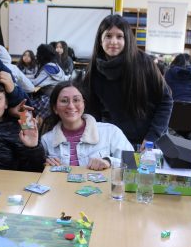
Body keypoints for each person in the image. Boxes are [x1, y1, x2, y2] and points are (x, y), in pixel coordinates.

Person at [84, 14, 173, 147]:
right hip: (113, 142)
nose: (113, 41)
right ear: (100, 39)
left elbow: (166, 101)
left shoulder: (144, 63)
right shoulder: (94, 71)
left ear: (127, 39)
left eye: (119, 36)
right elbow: (93, 113)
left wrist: (152, 137)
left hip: (148, 141)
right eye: (108, 36)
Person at [42, 81, 134, 170]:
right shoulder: (46, 140)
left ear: (84, 104)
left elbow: (133, 163)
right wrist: (44, 165)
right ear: (55, 108)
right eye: (64, 101)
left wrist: (109, 161)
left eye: (76, 100)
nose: (71, 106)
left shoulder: (110, 131)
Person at [31, 44, 68, 120]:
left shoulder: (48, 68)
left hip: (49, 100)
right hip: (56, 97)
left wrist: (22, 78)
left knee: (25, 104)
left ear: (42, 55)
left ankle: (29, 127)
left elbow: (35, 83)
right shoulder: (55, 65)